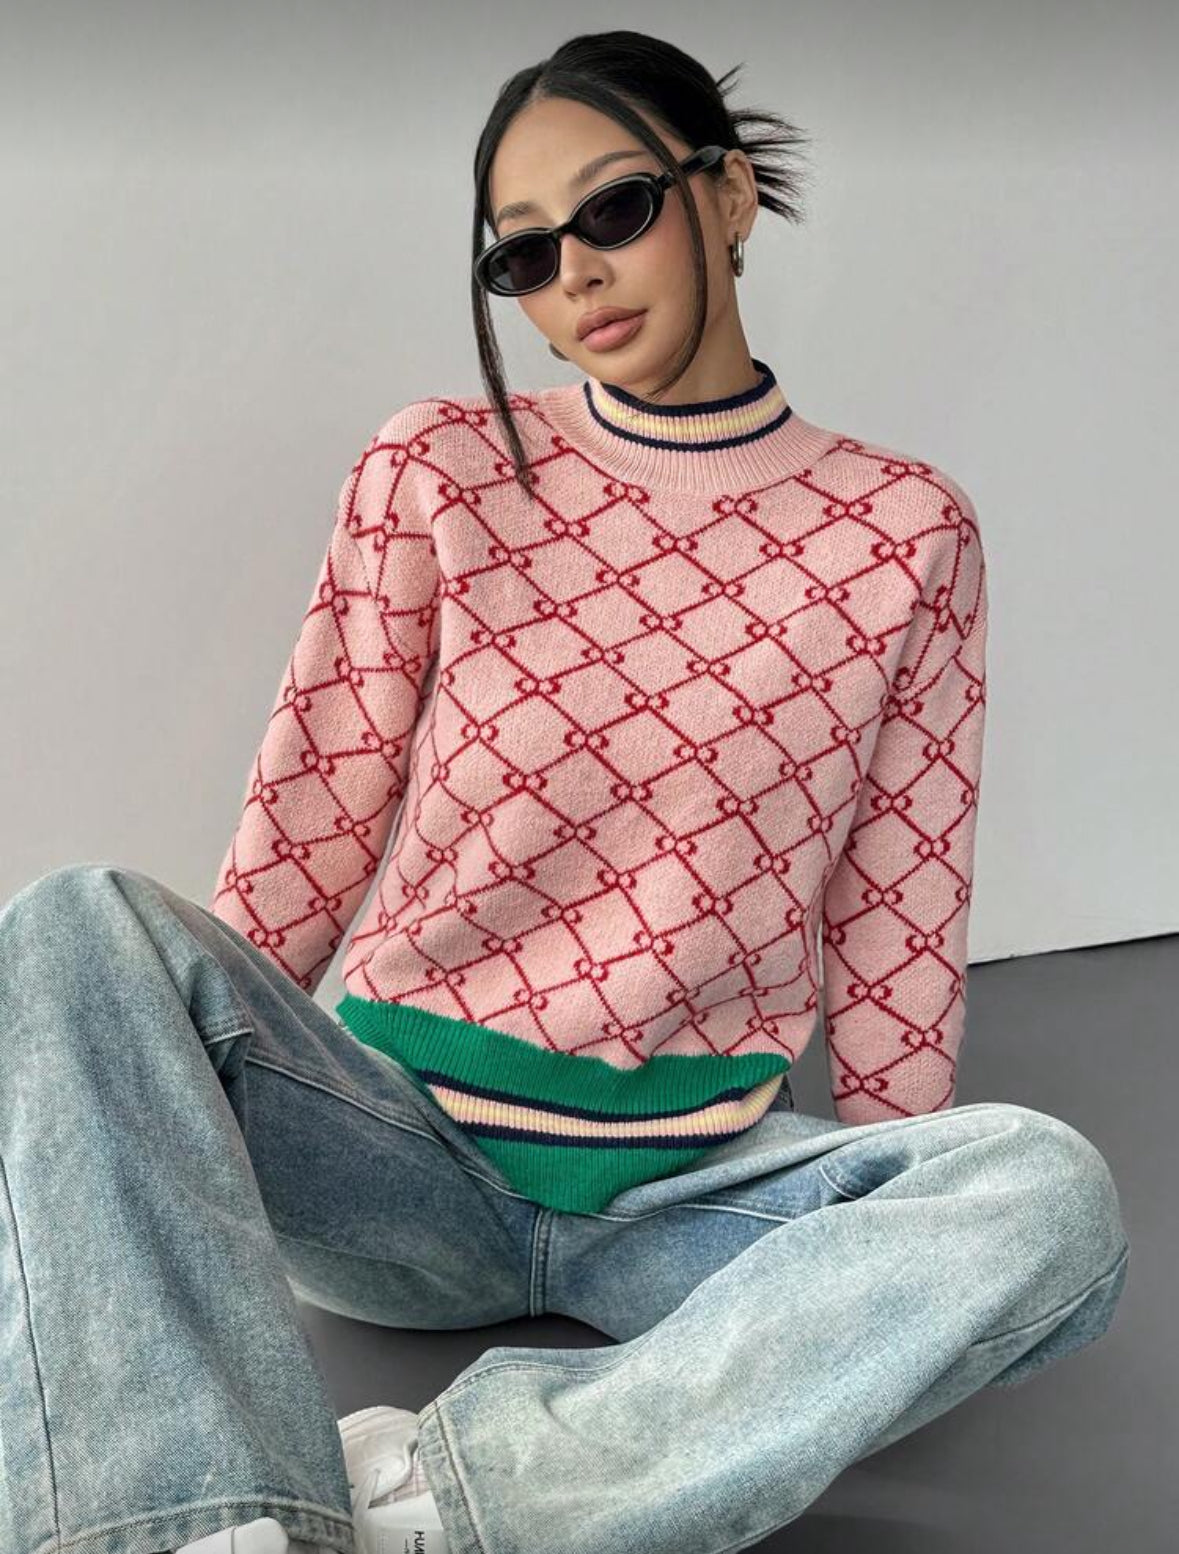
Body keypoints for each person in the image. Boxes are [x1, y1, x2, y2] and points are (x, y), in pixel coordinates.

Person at [0, 27, 1130, 1554]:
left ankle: (447, 1497)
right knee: (72, 924)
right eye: (522, 255)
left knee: (1047, 1191)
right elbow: (318, 801)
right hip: (395, 1164)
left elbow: (897, 906)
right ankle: (190, 1526)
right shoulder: (441, 467)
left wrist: (886, 1232)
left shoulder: (903, 531)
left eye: (614, 210)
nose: (575, 275)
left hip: (693, 1200)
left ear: (727, 195)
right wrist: (177, 1095)